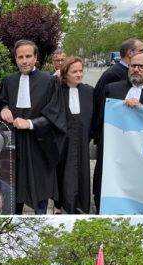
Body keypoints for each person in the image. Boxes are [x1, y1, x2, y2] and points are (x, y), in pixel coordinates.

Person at [93, 51, 143, 210]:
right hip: (111, 158)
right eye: (133, 65)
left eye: (142, 66)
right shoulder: (111, 90)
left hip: (142, 162)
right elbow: (98, 120)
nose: (136, 69)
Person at [0, 39, 66, 215]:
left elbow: (55, 113)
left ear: (36, 57)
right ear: (15, 59)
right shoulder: (8, 81)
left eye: (28, 56)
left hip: (40, 143)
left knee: (40, 191)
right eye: (20, 57)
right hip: (14, 144)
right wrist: (4, 109)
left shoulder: (49, 82)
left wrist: (30, 123)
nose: (24, 61)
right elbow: (2, 102)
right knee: (15, 189)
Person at [91, 39, 143, 210]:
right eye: (141, 50)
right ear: (130, 53)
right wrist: (99, 134)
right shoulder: (112, 74)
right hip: (111, 136)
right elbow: (99, 104)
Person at [56, 57, 93, 214]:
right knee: (64, 172)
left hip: (82, 140)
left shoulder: (89, 91)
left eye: (80, 71)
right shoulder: (57, 91)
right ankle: (60, 204)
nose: (79, 74)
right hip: (63, 141)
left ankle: (80, 204)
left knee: (81, 172)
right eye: (74, 71)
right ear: (65, 74)